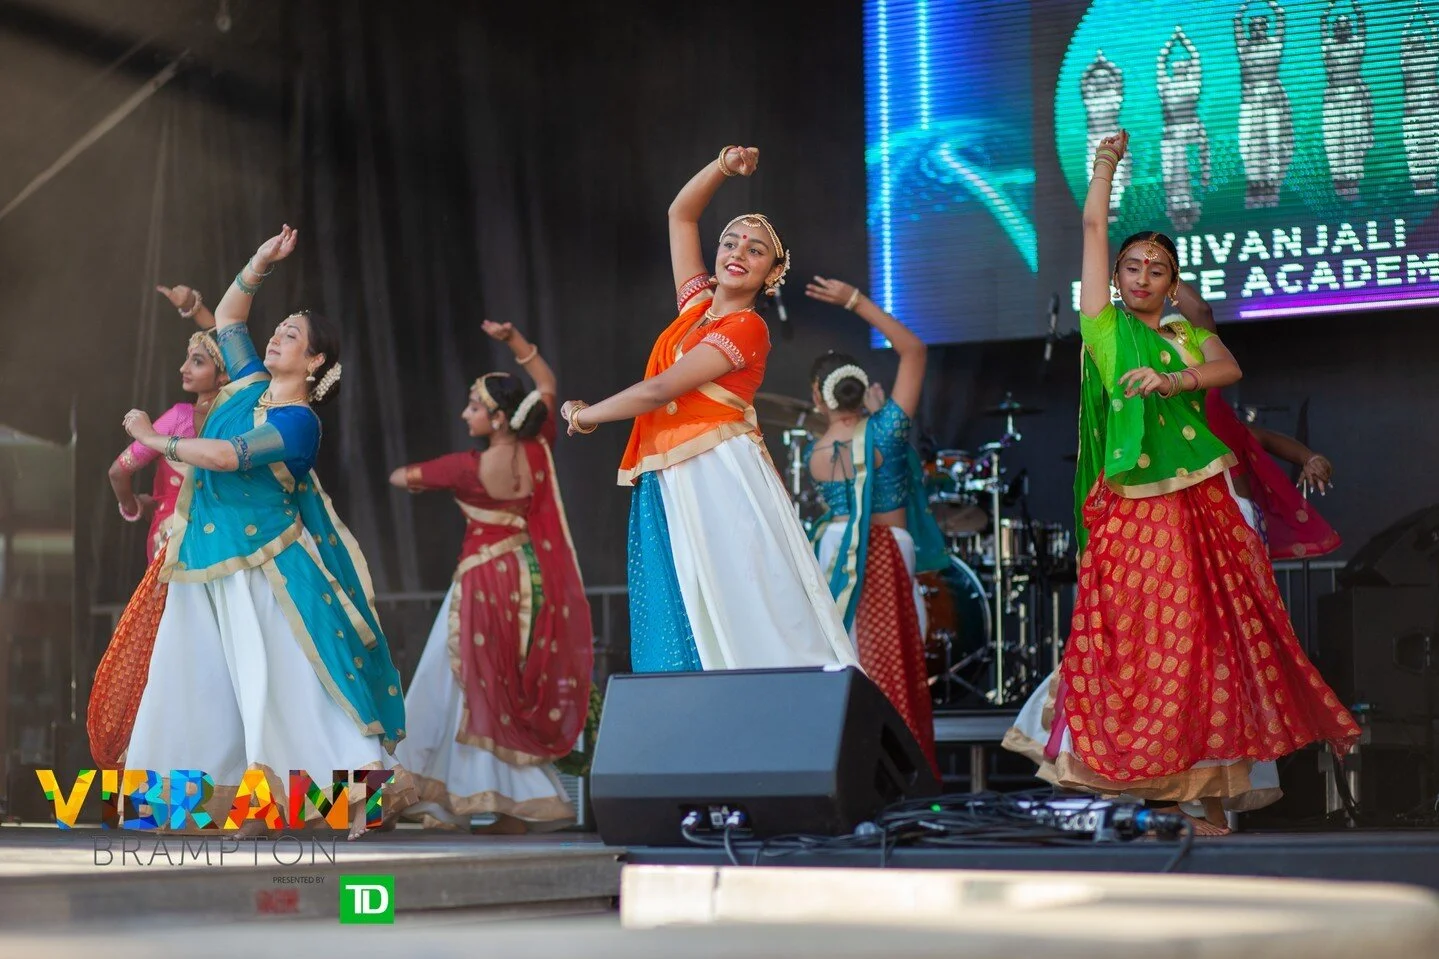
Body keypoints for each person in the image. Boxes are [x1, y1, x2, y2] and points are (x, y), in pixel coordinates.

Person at [1002, 132, 1359, 836]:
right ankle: (1157, 797)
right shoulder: (1103, 329)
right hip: (1133, 511)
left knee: (1208, 640)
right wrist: (1103, 166)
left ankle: (1212, 803)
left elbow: (1226, 369)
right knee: (1143, 645)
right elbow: (1092, 226)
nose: (1139, 276)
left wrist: (1172, 378)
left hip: (1201, 503)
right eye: (1130, 266)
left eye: (1155, 270)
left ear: (1172, 285)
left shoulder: (1181, 335)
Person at [121, 225, 408, 839]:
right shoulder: (249, 382)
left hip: (266, 571)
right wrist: (260, 262)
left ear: (316, 361)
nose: (275, 337)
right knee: (194, 685)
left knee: (275, 689)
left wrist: (155, 440)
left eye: (291, 336)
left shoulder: (298, 423)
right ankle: (200, 804)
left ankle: (314, 800)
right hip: (201, 561)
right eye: (277, 331)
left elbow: (227, 456)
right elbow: (227, 314)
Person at [559, 146, 855, 673]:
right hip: (669, 471)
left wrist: (585, 416)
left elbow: (657, 392)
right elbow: (681, 214)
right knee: (681, 603)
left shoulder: (747, 327)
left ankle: (776, 712)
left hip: (716, 473)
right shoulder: (697, 307)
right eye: (731, 241)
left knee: (739, 602)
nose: (738, 252)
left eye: (757, 249)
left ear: (773, 272)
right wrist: (723, 166)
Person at [389, 320, 591, 833]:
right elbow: (546, 385)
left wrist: (417, 483)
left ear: (499, 417)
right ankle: (503, 806)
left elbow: (401, 476)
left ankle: (421, 794)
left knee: (455, 679)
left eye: (474, 406)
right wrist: (515, 342)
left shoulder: (465, 467)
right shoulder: (537, 447)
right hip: (527, 575)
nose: (465, 413)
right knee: (498, 682)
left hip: (482, 579)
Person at [803, 277, 947, 776]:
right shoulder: (886, 427)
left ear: (818, 400)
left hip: (833, 556)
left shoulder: (816, 452)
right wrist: (855, 301)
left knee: (847, 664)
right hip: (885, 550)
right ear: (863, 391)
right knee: (893, 667)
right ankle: (899, 770)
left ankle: (848, 772)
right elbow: (914, 350)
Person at [90, 285, 227, 770]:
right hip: (232, 540)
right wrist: (197, 310)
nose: (183, 370)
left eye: (196, 362)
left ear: (219, 372)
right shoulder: (240, 417)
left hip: (170, 533)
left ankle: (159, 768)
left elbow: (116, 471)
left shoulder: (176, 419)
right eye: (185, 361)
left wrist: (136, 508)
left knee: (169, 644)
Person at [1173, 283, 1341, 560]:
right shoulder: (1160, 411)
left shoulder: (1208, 396)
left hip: (1239, 528)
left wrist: (1310, 458)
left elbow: (1201, 311)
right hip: (1184, 530)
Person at [1236, 1, 1294, 208]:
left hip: (1271, 103)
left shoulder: (1274, 45)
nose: (1257, 28)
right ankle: (1254, 182)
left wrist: (1270, 5)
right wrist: (1245, 6)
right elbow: (1236, 25)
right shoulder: (1244, 48)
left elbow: (1281, 18)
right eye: (1253, 26)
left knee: (1272, 143)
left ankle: (1271, 181)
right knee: (1248, 145)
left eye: (1261, 25)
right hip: (1250, 103)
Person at [1157, 27, 1209, 230]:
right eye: (1176, 66)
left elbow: (1196, 59)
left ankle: (1191, 209)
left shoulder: (1192, 85)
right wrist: (1171, 43)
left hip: (1190, 135)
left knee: (1191, 173)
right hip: (1172, 137)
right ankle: (1177, 209)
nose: (1178, 67)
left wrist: (1182, 39)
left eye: (1182, 66)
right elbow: (1161, 64)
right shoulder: (1167, 86)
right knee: (1172, 175)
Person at [1320, 2, 1372, 201]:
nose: (1342, 27)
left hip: (1354, 101)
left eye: (1345, 24)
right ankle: (1339, 188)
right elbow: (1322, 25)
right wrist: (1328, 8)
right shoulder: (1328, 46)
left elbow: (1363, 24)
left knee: (1353, 144)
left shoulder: (1357, 44)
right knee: (1334, 144)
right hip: (1333, 101)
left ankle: (1353, 187)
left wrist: (1356, 6)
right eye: (1338, 25)